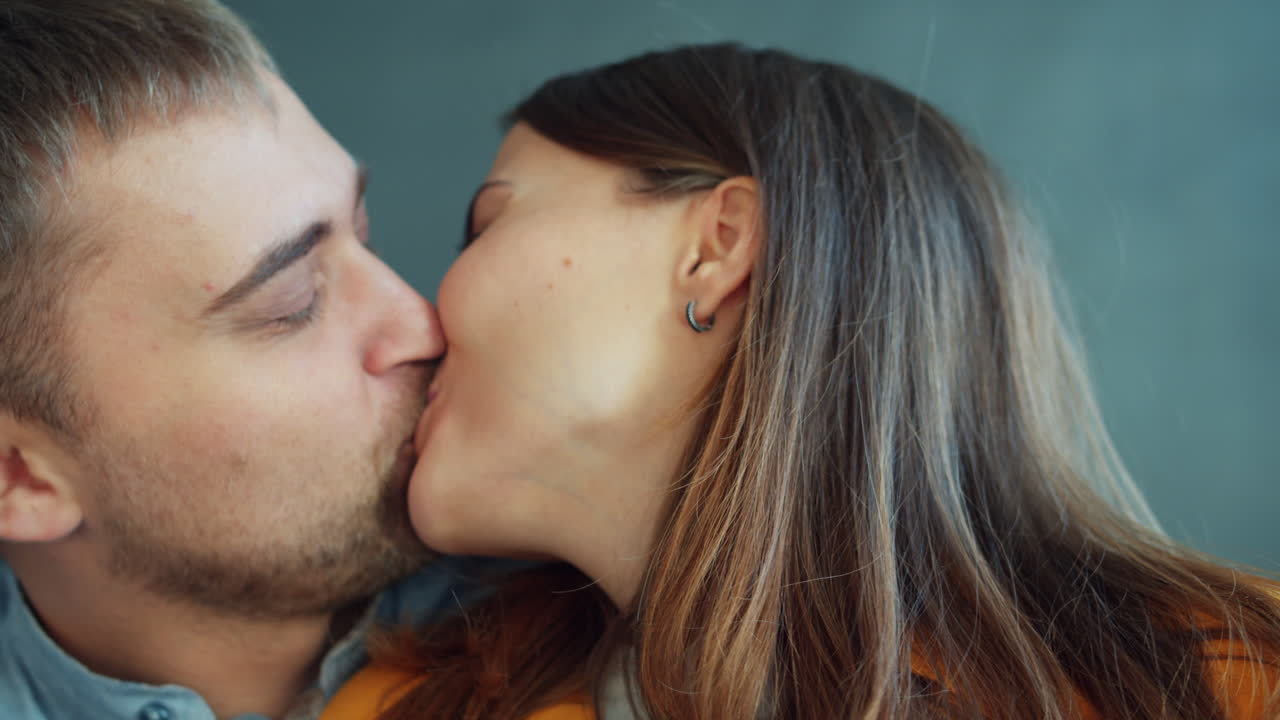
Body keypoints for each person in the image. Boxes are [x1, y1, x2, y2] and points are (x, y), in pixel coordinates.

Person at [326, 44, 1280, 719]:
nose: (419, 316)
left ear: (717, 248)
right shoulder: (402, 702)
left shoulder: (1230, 679)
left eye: (486, 224)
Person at [0, 2, 474, 718]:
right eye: (292, 304)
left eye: (365, 236)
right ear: (19, 475)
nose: (424, 324)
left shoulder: (609, 618)